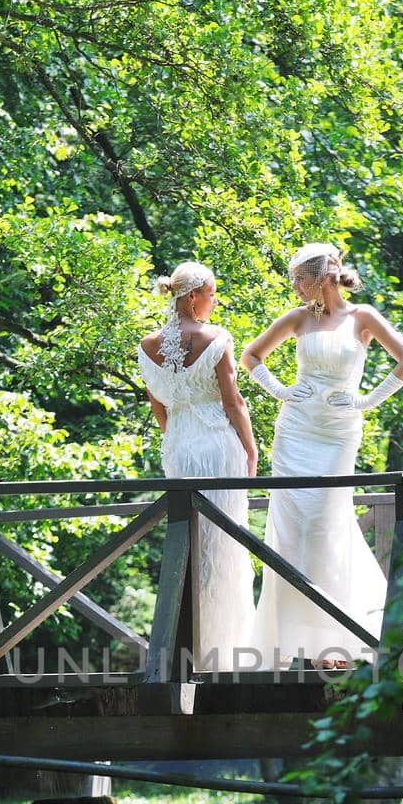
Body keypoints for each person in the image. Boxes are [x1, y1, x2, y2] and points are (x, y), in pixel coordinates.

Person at [240, 242, 403, 668]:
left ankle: (336, 641)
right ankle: (289, 643)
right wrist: (281, 390)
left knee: (324, 524)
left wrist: (367, 401)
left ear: (323, 277)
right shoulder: (298, 318)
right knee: (290, 530)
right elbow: (250, 357)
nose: (295, 287)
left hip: (338, 432)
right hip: (296, 430)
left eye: (300, 279)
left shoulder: (363, 317)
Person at [138, 261, 257, 671]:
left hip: (179, 447)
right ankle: (227, 653)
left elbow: (158, 405)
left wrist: (177, 438)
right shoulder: (217, 338)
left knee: (188, 542)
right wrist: (251, 450)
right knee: (224, 543)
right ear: (193, 297)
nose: (215, 300)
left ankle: (188, 650)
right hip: (218, 445)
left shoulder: (146, 345)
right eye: (212, 293)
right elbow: (233, 402)